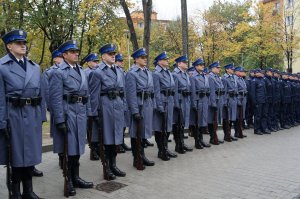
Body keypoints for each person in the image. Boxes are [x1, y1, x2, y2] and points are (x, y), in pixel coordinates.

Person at [0, 29, 46, 198]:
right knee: (16, 157)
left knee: (30, 156)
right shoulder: (2, 67)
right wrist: (2, 122)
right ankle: (14, 192)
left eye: (24, 43)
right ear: (9, 46)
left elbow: (42, 95)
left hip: (32, 115)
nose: (23, 45)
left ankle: (28, 191)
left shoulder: (34, 67)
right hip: (14, 116)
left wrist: (41, 116)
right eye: (19, 43)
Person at [49, 40, 94, 196]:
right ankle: (68, 180)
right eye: (72, 51)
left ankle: (76, 177)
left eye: (77, 51)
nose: (76, 53)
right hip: (68, 112)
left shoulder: (81, 70)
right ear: (64, 54)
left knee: (78, 148)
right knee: (69, 149)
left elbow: (86, 94)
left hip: (80, 112)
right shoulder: (58, 72)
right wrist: (60, 119)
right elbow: (55, 98)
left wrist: (88, 113)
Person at [88, 44, 126, 180]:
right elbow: (93, 95)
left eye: (114, 53)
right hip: (105, 107)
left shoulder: (120, 71)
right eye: (110, 54)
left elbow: (124, 92)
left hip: (118, 106)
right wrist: (95, 113)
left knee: (116, 138)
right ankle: (107, 167)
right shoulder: (97, 72)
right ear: (103, 56)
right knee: (106, 139)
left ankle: (114, 165)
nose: (113, 55)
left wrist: (124, 107)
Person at [125, 48, 155, 169]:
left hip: (147, 104)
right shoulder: (132, 73)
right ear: (136, 59)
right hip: (138, 105)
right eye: (142, 57)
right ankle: (137, 157)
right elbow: (130, 94)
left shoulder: (148, 72)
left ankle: (142, 155)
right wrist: (134, 111)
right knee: (136, 133)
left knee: (143, 132)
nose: (145, 59)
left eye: (145, 57)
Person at [153, 51, 177, 161]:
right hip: (162, 102)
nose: (168, 60)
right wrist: (159, 106)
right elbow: (156, 92)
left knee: (167, 127)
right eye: (165, 59)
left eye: (167, 59)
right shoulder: (156, 74)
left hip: (170, 101)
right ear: (159, 61)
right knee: (160, 127)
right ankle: (161, 150)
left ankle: (165, 148)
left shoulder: (168, 72)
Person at [172, 55, 194, 154]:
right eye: (184, 62)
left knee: (183, 123)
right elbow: (175, 90)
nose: (186, 64)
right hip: (180, 101)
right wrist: (176, 104)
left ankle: (182, 142)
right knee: (178, 124)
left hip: (186, 101)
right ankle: (178, 144)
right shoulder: (175, 74)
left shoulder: (185, 74)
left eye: (186, 62)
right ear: (179, 64)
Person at [82, 53, 100, 161]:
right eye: (94, 61)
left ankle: (97, 148)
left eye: (97, 61)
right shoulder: (85, 73)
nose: (96, 63)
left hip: (96, 103)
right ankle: (93, 150)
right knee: (90, 129)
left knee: (96, 129)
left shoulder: (97, 72)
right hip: (88, 104)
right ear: (88, 62)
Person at [190, 59, 211, 149]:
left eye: (203, 64)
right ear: (196, 66)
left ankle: (201, 139)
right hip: (198, 101)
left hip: (204, 101)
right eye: (200, 65)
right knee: (197, 122)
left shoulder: (204, 76)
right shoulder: (193, 77)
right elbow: (193, 91)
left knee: (203, 121)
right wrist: (194, 104)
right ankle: (197, 141)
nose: (202, 66)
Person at [115, 53, 132, 152]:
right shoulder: (116, 71)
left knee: (124, 123)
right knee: (119, 125)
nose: (122, 62)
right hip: (116, 100)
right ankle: (118, 144)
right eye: (120, 61)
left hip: (123, 100)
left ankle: (121, 142)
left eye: (122, 61)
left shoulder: (122, 71)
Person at [207, 61, 225, 145]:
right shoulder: (210, 77)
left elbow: (221, 89)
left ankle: (214, 136)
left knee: (216, 120)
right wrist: (213, 103)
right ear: (213, 68)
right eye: (217, 68)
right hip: (214, 101)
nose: (219, 69)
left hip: (219, 100)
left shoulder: (217, 77)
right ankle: (213, 137)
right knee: (212, 120)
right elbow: (212, 91)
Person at [222, 63, 238, 142]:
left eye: (233, 69)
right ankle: (226, 135)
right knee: (227, 119)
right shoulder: (224, 78)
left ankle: (229, 134)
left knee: (232, 118)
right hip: (228, 100)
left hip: (234, 99)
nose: (233, 70)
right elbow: (224, 91)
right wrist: (225, 102)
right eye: (231, 69)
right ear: (227, 70)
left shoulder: (234, 77)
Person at [234, 66, 248, 138]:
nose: (244, 73)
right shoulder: (235, 79)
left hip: (243, 98)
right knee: (237, 116)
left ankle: (239, 132)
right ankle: (237, 132)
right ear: (237, 72)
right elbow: (236, 90)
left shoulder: (241, 79)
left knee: (241, 116)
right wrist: (238, 100)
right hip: (239, 98)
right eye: (242, 71)